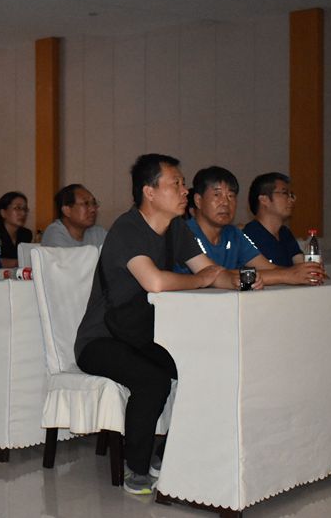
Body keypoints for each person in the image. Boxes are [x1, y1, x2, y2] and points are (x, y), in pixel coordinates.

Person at [75, 154, 238, 495]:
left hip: (140, 336)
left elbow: (212, 271)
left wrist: (253, 279)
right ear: (149, 192)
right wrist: (202, 280)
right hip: (101, 340)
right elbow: (156, 282)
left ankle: (164, 455)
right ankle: (135, 469)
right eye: (175, 184)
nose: (184, 190)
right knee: (153, 380)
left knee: (202, 370)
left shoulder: (176, 228)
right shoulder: (127, 228)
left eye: (183, 183)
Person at [179, 166, 325, 285]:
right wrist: (288, 275)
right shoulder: (184, 232)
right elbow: (215, 276)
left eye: (231, 196)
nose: (225, 202)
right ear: (198, 201)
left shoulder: (233, 233)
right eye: (217, 195)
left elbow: (269, 268)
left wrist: (302, 272)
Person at [242, 172, 305, 267]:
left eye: (291, 195)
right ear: (264, 199)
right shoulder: (248, 236)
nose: (292, 199)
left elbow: (300, 263)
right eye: (285, 193)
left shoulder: (285, 233)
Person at [41, 184, 107, 247]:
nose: (93, 209)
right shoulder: (55, 233)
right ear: (67, 211)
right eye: (86, 203)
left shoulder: (97, 232)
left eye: (94, 203)